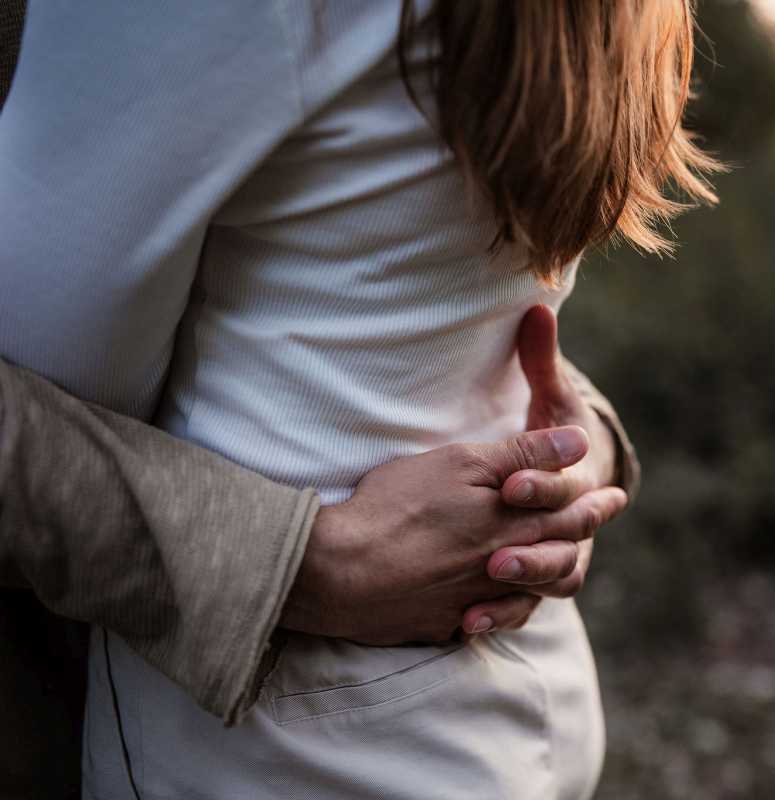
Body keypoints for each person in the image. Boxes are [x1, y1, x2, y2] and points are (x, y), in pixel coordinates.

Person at [0, 1, 715, 797]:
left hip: (287, 738)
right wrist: (564, 466)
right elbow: (400, 276)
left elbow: (51, 373)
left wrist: (299, 564)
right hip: (510, 696)